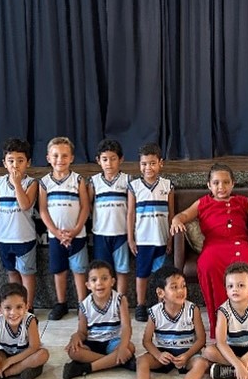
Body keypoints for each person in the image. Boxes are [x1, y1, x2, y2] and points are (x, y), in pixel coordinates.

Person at [171, 163, 248, 337]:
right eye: (216, 183)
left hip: (239, 244)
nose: (221, 187)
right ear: (209, 185)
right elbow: (183, 215)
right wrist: (176, 220)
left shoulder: (242, 201)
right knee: (208, 266)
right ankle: (220, 325)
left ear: (233, 183)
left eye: (226, 182)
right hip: (214, 246)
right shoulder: (202, 203)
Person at [122, 266, 208, 379]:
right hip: (164, 353)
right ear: (161, 292)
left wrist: (187, 355)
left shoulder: (193, 309)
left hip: (187, 354)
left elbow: (201, 339)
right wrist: (158, 355)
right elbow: (147, 341)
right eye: (174, 287)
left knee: (202, 363)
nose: (181, 291)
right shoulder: (155, 312)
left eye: (183, 286)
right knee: (142, 360)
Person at [0, 139, 39, 311]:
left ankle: (28, 307)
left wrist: (17, 184)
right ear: (4, 163)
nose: (15, 165)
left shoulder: (31, 183)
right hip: (4, 237)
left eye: (20, 160)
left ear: (28, 163)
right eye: (11, 161)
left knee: (26, 273)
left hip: (24, 237)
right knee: (12, 272)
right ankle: (16, 304)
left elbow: (25, 205)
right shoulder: (0, 182)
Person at [39, 137, 90, 320]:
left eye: (64, 155)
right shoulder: (44, 182)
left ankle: (83, 304)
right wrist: (55, 232)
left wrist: (75, 230)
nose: (60, 159)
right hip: (56, 236)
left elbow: (85, 207)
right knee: (59, 270)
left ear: (71, 158)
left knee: (79, 270)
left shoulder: (78, 180)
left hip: (77, 235)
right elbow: (43, 210)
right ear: (48, 158)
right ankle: (61, 303)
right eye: (55, 155)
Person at [63, 260, 135, 379]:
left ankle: (87, 368)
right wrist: (76, 336)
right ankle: (115, 361)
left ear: (112, 282)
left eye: (104, 278)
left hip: (113, 341)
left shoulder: (120, 300)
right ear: (88, 285)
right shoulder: (84, 305)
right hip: (92, 343)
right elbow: (82, 332)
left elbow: (126, 327)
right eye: (94, 280)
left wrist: (122, 347)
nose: (99, 283)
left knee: (129, 348)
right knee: (73, 352)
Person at [128, 143, 175, 322]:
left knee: (161, 275)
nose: (148, 167)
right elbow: (130, 214)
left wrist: (170, 238)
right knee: (142, 273)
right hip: (143, 240)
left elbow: (171, 214)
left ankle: (161, 304)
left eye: (152, 163)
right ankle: (141, 305)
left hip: (161, 239)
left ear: (160, 163)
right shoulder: (134, 186)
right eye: (144, 164)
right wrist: (131, 238)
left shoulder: (168, 186)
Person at [0, 283, 49, 379]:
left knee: (43, 355)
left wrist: (10, 361)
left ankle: (6, 373)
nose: (13, 313)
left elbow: (34, 347)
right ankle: (22, 370)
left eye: (19, 307)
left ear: (26, 307)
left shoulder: (30, 320)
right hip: (6, 354)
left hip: (26, 354)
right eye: (8, 308)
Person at [88, 138, 131, 297]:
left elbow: (131, 207)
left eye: (113, 159)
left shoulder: (127, 180)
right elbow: (88, 205)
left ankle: (120, 301)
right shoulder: (94, 182)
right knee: (102, 271)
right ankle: (104, 301)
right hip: (101, 234)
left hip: (121, 234)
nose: (109, 163)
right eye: (105, 159)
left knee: (122, 270)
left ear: (121, 159)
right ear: (98, 160)